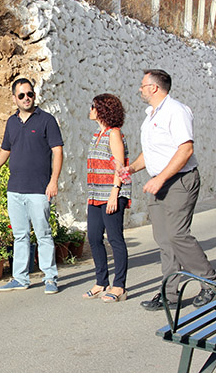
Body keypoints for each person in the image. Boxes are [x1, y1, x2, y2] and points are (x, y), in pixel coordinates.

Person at [120, 69, 216, 311]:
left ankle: (213, 282)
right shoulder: (151, 115)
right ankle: (169, 294)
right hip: (161, 181)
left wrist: (161, 179)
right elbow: (151, 152)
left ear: (154, 88)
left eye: (143, 85)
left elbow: (185, 149)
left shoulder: (176, 111)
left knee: (178, 234)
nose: (140, 89)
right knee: (164, 240)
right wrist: (132, 168)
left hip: (179, 181)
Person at [0, 78, 63, 294]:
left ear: (34, 95)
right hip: (15, 189)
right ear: (14, 98)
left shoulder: (47, 120)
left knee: (43, 234)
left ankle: (50, 278)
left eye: (30, 94)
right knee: (19, 235)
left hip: (39, 189)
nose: (27, 98)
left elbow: (57, 151)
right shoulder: (11, 122)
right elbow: (6, 149)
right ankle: (20, 278)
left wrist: (53, 181)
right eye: (21, 95)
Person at [84, 94, 131, 303]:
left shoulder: (114, 134)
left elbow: (119, 166)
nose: (90, 109)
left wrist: (115, 193)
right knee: (94, 237)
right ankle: (101, 281)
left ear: (101, 110)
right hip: (95, 194)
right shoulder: (97, 133)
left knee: (115, 239)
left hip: (112, 193)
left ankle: (119, 286)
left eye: (93, 106)